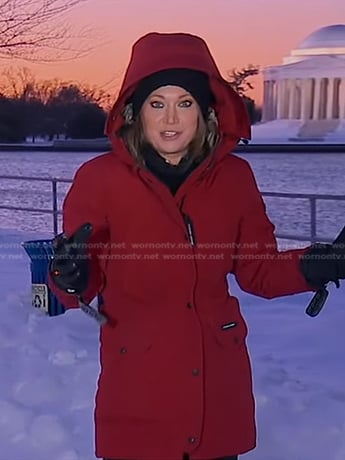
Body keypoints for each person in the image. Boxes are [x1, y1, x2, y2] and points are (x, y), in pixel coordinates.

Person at [48, 32, 345, 460]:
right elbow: (77, 287)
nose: (171, 118)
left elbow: (258, 271)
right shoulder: (99, 179)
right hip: (136, 390)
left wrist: (324, 264)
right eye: (157, 103)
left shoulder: (235, 178)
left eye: (185, 103)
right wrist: (69, 276)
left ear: (207, 112)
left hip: (217, 396)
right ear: (134, 112)